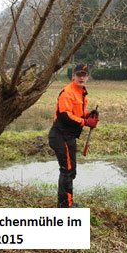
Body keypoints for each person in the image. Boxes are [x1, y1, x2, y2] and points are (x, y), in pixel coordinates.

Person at [48, 64, 99, 208]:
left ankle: (66, 203)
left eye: (84, 75)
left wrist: (89, 115)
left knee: (71, 170)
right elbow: (65, 116)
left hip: (69, 136)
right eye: (79, 75)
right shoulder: (67, 92)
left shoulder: (81, 93)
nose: (81, 77)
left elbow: (77, 113)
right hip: (60, 135)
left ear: (87, 77)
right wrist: (85, 122)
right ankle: (65, 206)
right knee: (67, 170)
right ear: (73, 76)